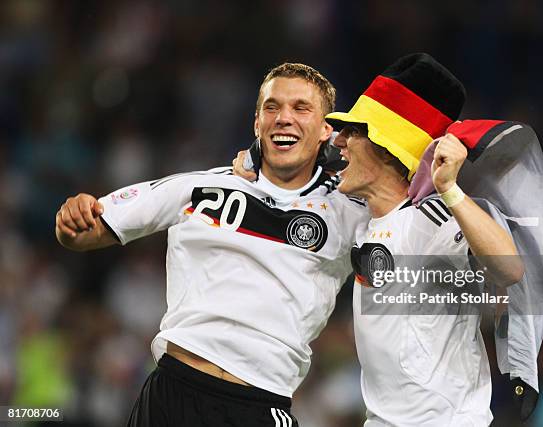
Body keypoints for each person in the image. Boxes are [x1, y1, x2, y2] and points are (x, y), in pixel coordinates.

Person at [55, 63, 369, 426]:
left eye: (301, 108)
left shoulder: (350, 213)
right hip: (171, 395)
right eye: (272, 107)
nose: (284, 118)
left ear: (325, 130)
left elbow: (415, 246)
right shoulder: (200, 188)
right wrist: (73, 216)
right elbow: (85, 230)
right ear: (256, 123)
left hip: (260, 403)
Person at [324, 53, 530, 426]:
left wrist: (450, 189)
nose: (339, 140)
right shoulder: (357, 217)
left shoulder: (433, 218)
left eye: (353, 131)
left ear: (387, 146)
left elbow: (510, 269)